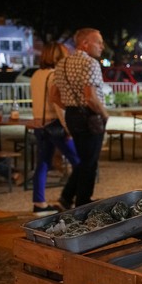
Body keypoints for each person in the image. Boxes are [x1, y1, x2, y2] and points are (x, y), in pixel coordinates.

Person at [51, 28, 108, 209]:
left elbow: (54, 96)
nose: (102, 46)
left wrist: (70, 107)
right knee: (90, 162)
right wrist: (104, 114)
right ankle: (83, 202)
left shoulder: (62, 64)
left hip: (72, 116)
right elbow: (90, 97)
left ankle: (67, 197)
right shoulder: (90, 63)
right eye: (98, 42)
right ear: (85, 43)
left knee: (85, 159)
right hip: (89, 117)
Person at [30, 42, 80, 215]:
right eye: (64, 54)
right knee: (79, 162)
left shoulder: (36, 74)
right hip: (54, 125)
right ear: (58, 56)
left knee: (42, 164)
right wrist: (68, 129)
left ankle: (39, 203)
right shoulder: (54, 75)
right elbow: (58, 106)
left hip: (39, 125)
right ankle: (70, 199)